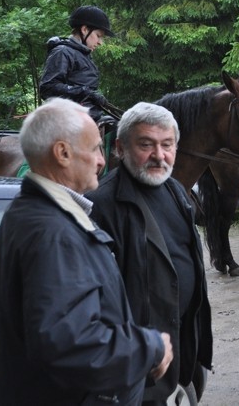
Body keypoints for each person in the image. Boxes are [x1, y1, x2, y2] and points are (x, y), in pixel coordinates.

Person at [0, 98, 172, 405]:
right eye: (94, 149)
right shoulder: (52, 233)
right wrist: (150, 346)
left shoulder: (34, 213)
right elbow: (70, 345)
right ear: (62, 153)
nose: (102, 161)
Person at [87, 102, 213, 405]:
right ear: (120, 147)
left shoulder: (176, 192)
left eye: (167, 145)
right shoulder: (102, 206)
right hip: (139, 369)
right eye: (146, 144)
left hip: (184, 354)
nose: (159, 155)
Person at [39, 5, 116, 123]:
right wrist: (84, 92)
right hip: (68, 121)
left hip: (87, 117)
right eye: (98, 36)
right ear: (84, 30)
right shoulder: (63, 52)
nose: (100, 42)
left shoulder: (83, 54)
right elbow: (48, 88)